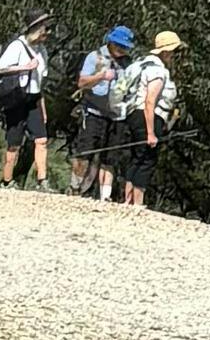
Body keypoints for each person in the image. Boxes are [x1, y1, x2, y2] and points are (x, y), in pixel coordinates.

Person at [117, 28, 184, 209]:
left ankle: (128, 200)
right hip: (149, 116)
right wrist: (151, 132)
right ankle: (138, 201)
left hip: (133, 115)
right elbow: (149, 101)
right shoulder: (158, 71)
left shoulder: (141, 64)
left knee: (137, 156)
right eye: (174, 51)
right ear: (166, 51)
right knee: (147, 158)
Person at [0, 17, 51, 186]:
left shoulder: (42, 50)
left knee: (41, 139)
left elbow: (40, 82)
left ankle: (42, 180)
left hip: (34, 98)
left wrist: (42, 108)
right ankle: (7, 180)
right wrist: (25, 67)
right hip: (17, 98)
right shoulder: (17, 46)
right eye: (44, 31)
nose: (46, 35)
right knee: (14, 143)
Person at [70, 22, 131, 204]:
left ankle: (105, 195)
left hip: (116, 115)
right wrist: (101, 77)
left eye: (125, 47)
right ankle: (75, 188)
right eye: (119, 45)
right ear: (111, 43)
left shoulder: (128, 63)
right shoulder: (94, 57)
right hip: (94, 112)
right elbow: (82, 82)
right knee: (85, 151)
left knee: (110, 156)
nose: (122, 50)